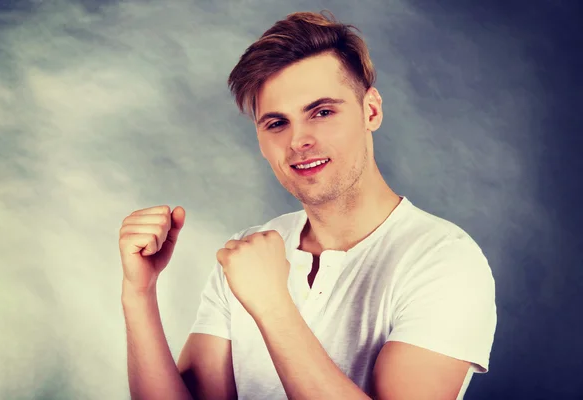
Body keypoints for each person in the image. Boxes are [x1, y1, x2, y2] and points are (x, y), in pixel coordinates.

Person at [119, 10, 497, 400]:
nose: (299, 140)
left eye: (322, 112)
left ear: (371, 110)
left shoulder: (444, 260)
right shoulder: (247, 250)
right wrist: (139, 293)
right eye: (277, 123)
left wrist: (272, 305)